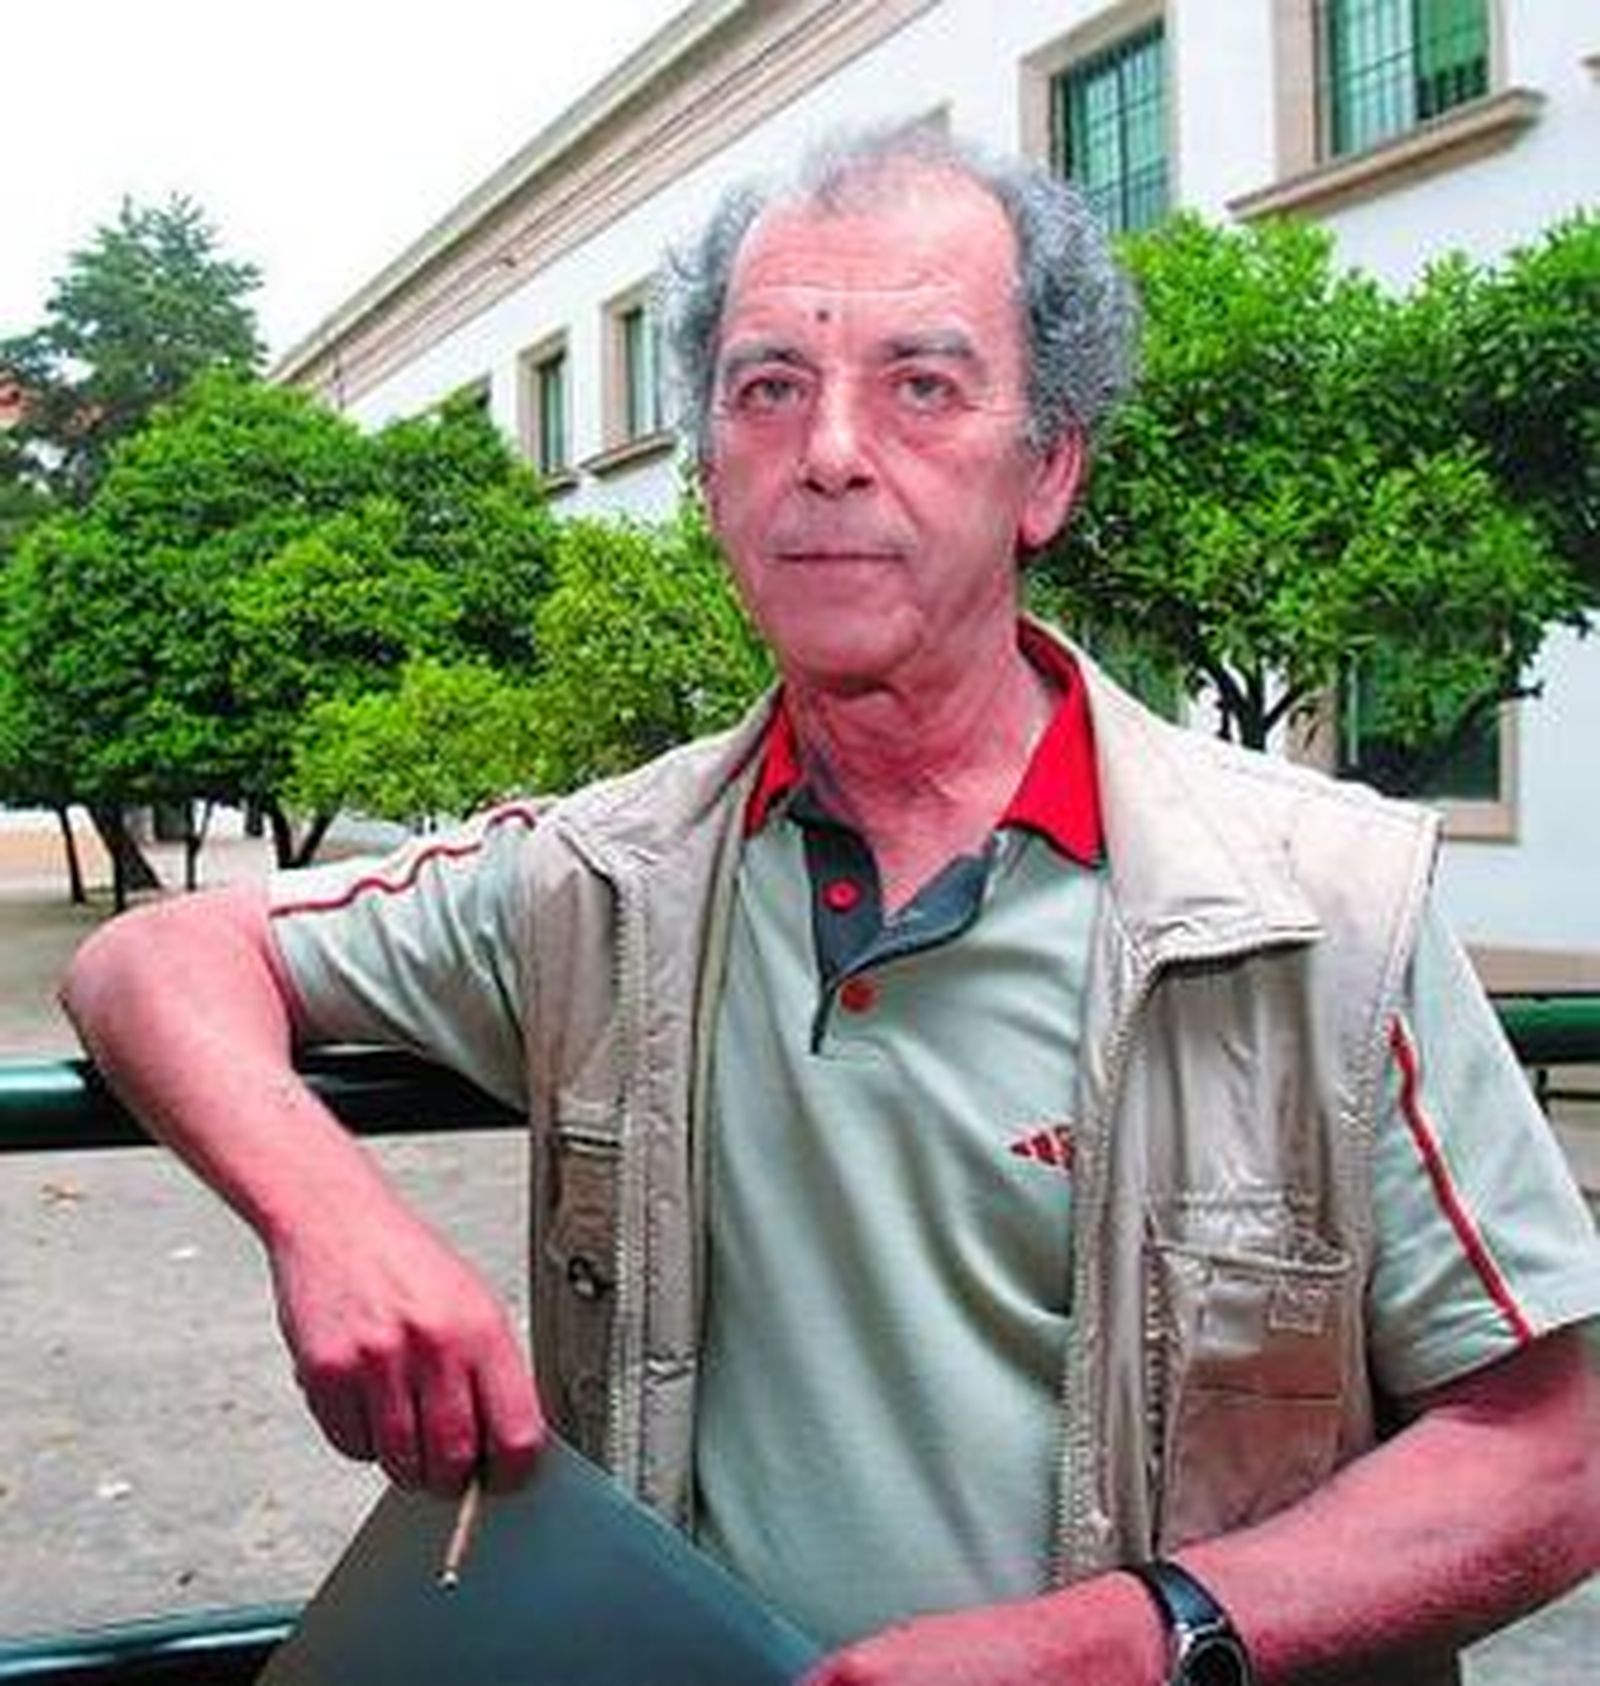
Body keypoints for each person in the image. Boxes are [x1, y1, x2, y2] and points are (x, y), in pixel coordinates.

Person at [63, 127, 1597, 1686]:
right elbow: (152, 960)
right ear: (712, 469)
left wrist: (1131, 1640)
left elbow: (1557, 1446)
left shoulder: (1314, 910)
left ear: (1047, 467)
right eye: (766, 387)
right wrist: (333, 1217)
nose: (832, 451)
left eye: (923, 385)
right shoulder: (605, 881)